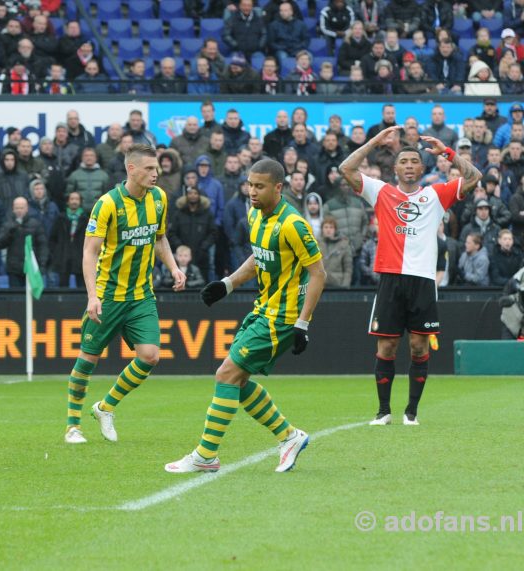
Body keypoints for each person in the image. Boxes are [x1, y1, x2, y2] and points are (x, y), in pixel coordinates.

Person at [165, 158, 326, 473]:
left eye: (259, 186)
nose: (252, 191)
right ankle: (289, 436)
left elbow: (318, 274)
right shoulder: (255, 215)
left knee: (226, 374)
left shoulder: (294, 224)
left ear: (278, 188)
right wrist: (227, 285)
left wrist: (302, 323)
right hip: (262, 309)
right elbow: (259, 258)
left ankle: (206, 455)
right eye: (250, 184)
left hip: (283, 317)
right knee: (236, 380)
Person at [338, 125, 482, 426]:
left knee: (419, 346)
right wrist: (375, 141)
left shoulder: (435, 195)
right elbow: (346, 167)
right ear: (395, 167)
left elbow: (473, 178)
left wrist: (449, 153)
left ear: (422, 167)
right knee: (386, 346)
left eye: (414, 161)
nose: (408, 166)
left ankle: (411, 412)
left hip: (423, 280)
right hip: (391, 278)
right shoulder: (380, 191)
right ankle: (383, 411)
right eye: (403, 161)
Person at [63, 144, 186, 445]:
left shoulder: (159, 199)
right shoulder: (107, 204)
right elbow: (89, 252)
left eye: (157, 169)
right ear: (132, 169)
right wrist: (93, 296)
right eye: (149, 169)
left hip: (141, 295)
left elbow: (160, 238)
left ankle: (106, 407)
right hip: (108, 296)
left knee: (150, 356)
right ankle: (72, 426)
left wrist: (174, 268)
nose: (156, 174)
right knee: (87, 360)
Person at [0, 196, 48, 287]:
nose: (19, 210)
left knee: (31, 299)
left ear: (27, 209)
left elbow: (42, 246)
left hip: (31, 267)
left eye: (21, 208)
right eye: (17, 208)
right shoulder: (8, 224)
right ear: (13, 209)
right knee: (16, 299)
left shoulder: (36, 224)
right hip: (14, 268)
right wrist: (10, 232)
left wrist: (42, 264)